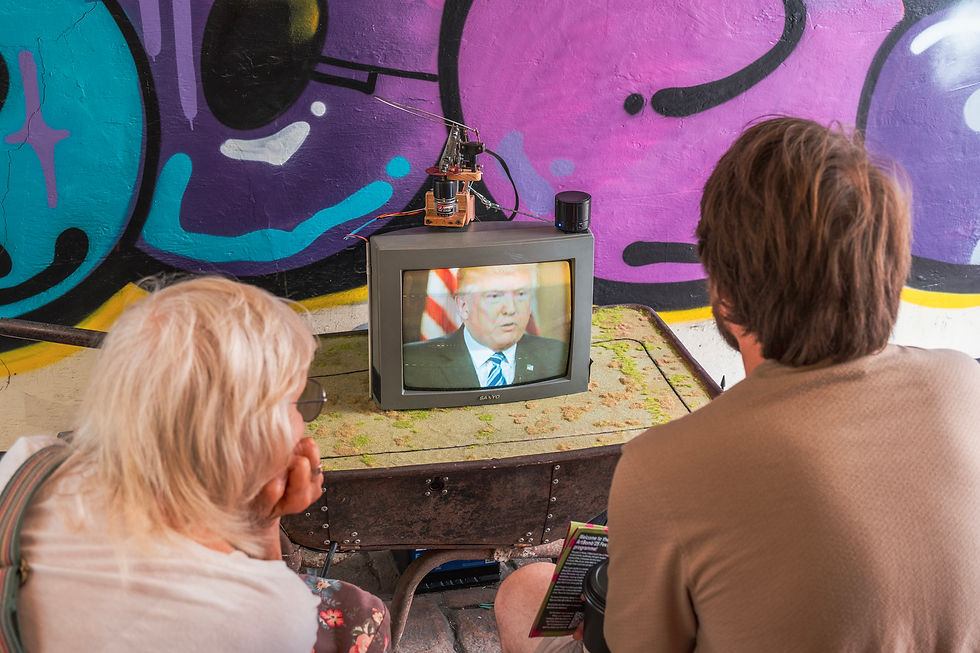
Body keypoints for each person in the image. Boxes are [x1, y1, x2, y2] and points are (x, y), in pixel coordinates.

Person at [494, 117, 980, 651]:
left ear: (723, 293)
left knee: (524, 592)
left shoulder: (664, 466)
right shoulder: (965, 384)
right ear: (888, 269)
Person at [0, 276, 389, 652]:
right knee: (368, 615)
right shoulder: (265, 612)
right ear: (244, 437)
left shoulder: (30, 462)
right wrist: (264, 528)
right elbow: (266, 607)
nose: (303, 421)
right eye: (297, 400)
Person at [403, 264, 567, 389]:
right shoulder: (411, 363)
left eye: (521, 294)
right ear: (463, 306)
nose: (510, 309)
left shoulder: (557, 356)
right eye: (494, 296)